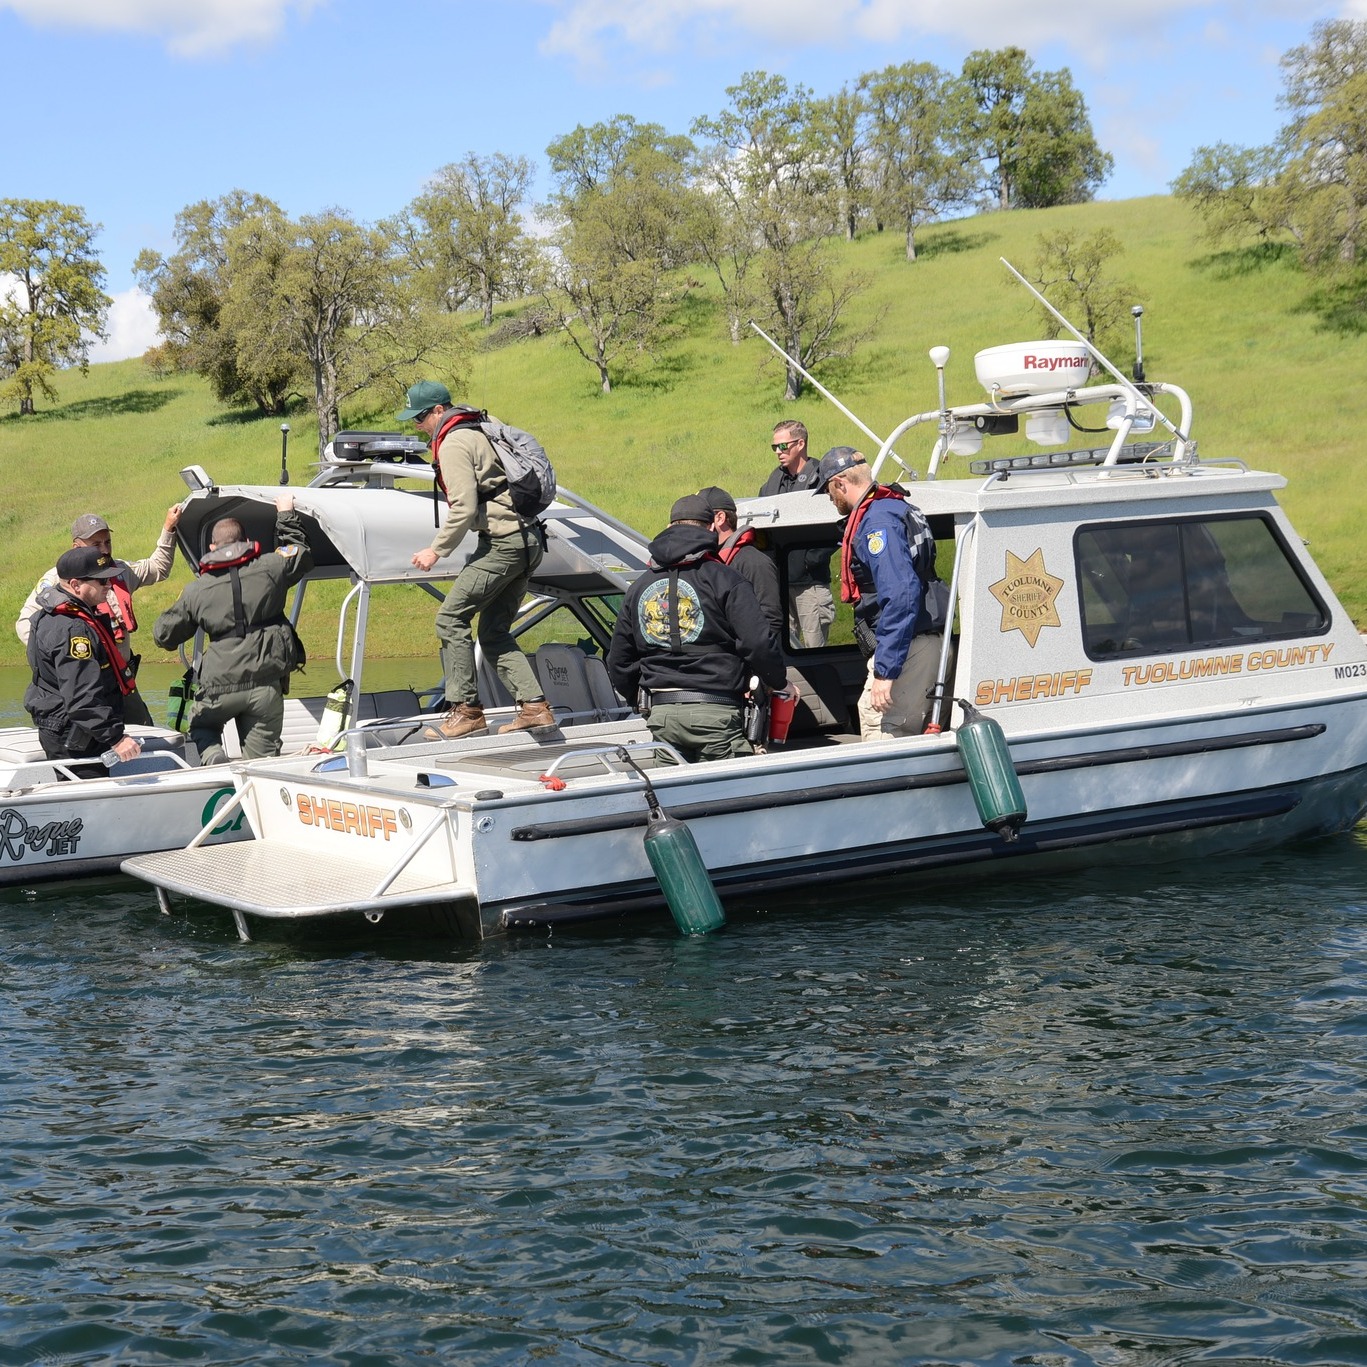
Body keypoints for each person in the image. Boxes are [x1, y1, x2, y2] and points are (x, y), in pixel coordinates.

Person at [400, 380, 554, 739]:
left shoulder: (454, 443)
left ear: (439, 411)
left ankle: (466, 710)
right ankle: (534, 708)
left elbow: (465, 507)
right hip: (529, 540)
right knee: (494, 631)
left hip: (502, 543)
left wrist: (436, 550)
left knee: (450, 617)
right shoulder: (482, 424)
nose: (417, 425)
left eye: (420, 417)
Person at [607, 494, 792, 763]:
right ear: (711, 528)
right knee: (726, 798)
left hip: (662, 716)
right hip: (717, 715)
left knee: (673, 800)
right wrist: (779, 681)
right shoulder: (726, 579)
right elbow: (758, 643)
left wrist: (640, 697)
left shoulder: (640, 587)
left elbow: (619, 660)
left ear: (670, 528)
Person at [152, 494, 312, 766]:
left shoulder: (197, 590)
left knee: (202, 727)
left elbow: (163, 635)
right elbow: (300, 551)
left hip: (218, 686)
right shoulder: (271, 567)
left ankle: (215, 758)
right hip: (265, 684)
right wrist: (285, 513)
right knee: (263, 765)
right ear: (247, 543)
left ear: (213, 547)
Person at [815, 447, 942, 740]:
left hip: (908, 645)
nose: (830, 499)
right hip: (919, 639)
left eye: (828, 492)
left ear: (840, 484)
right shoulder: (895, 509)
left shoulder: (878, 523)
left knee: (883, 728)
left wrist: (886, 671)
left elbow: (900, 593)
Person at [15, 507, 182, 726]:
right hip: (83, 682)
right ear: (77, 546)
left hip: (120, 679)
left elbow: (158, 567)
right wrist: (63, 660)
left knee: (144, 733)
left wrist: (168, 529)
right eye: (96, 544)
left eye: (107, 542)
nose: (104, 550)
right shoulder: (59, 579)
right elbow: (25, 624)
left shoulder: (119, 571)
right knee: (94, 740)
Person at [23, 547, 143, 772]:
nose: (109, 585)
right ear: (76, 585)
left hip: (64, 726)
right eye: (101, 581)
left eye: (109, 579)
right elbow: (82, 699)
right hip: (76, 735)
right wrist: (116, 738)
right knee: (90, 801)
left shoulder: (47, 616)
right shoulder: (74, 629)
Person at [757, 421, 835, 647]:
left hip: (810, 584)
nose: (778, 453)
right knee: (783, 649)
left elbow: (840, 525)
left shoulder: (822, 479)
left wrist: (811, 559)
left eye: (783, 446)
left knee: (814, 649)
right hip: (779, 583)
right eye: (775, 448)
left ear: (800, 443)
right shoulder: (773, 480)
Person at [696, 486, 783, 637]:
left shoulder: (754, 562)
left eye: (699, 519)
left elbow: (771, 620)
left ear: (720, 518)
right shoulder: (705, 559)